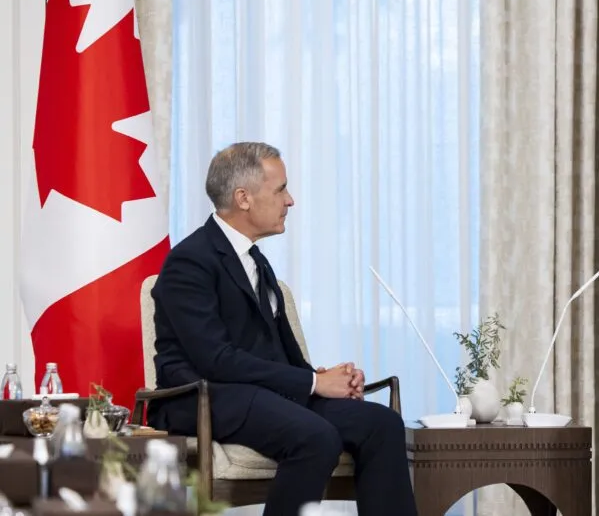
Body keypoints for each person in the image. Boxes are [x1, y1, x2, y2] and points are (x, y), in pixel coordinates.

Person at [149, 142, 416, 516]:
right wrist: (312, 385)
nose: (290, 200)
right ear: (243, 197)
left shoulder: (257, 261)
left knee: (382, 424)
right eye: (280, 190)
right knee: (315, 437)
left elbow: (281, 355)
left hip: (262, 394)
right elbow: (215, 359)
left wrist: (325, 378)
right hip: (205, 395)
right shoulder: (189, 262)